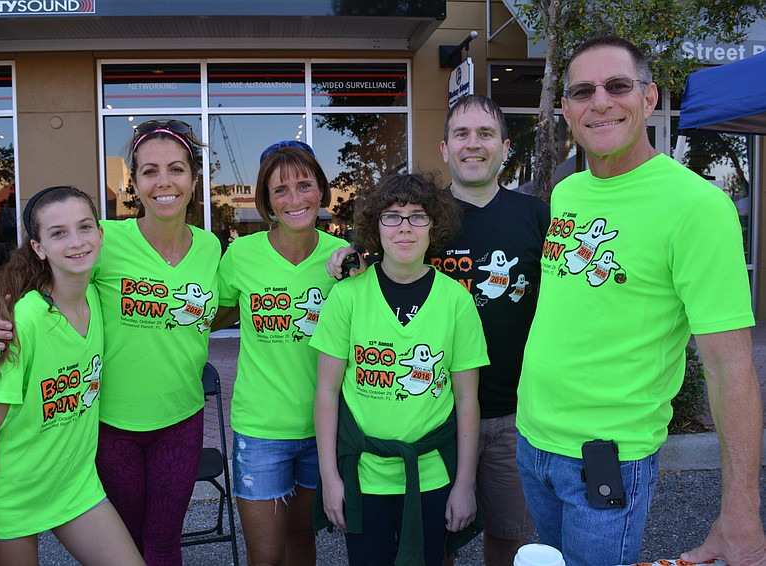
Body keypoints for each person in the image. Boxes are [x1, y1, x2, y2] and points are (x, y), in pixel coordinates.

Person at [515, 36, 766, 566]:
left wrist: (740, 511)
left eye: (618, 86)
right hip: (532, 442)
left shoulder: (698, 207)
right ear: (566, 109)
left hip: (605, 461)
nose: (600, 101)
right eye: (583, 91)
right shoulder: (569, 190)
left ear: (649, 98)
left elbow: (729, 368)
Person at [0, 119, 221, 566]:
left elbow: (223, 307)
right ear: (134, 182)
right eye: (149, 171)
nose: (163, 182)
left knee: (166, 542)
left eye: (176, 169)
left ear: (194, 179)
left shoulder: (211, 247)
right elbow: (41, 274)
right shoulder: (104, 240)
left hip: (182, 419)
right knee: (125, 542)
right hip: (112, 425)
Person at [0, 186, 144, 566]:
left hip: (75, 486)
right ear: (39, 247)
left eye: (85, 227)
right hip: (14, 498)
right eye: (58, 233)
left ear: (101, 234)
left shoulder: (98, 297)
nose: (76, 242)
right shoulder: (22, 322)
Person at [311, 172, 487, 566]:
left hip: (432, 476)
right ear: (376, 227)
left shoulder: (456, 301)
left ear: (433, 225)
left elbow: (466, 398)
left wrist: (465, 484)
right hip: (365, 475)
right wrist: (330, 477)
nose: (404, 227)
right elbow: (326, 392)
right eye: (392, 216)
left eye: (417, 216)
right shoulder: (347, 296)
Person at [214, 139, 349, 565]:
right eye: (280, 191)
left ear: (322, 192)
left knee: (302, 539)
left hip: (322, 431)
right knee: (266, 555)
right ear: (267, 202)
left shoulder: (342, 260)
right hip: (261, 431)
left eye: (305, 185)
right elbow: (210, 315)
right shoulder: (241, 255)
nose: (295, 199)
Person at [434, 94, 548, 565]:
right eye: (462, 134)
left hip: (511, 416)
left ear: (505, 148)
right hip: (432, 410)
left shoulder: (537, 217)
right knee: (431, 539)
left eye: (485, 134)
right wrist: (345, 256)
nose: (473, 144)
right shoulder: (420, 217)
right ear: (444, 149)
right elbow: (370, 264)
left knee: (512, 538)